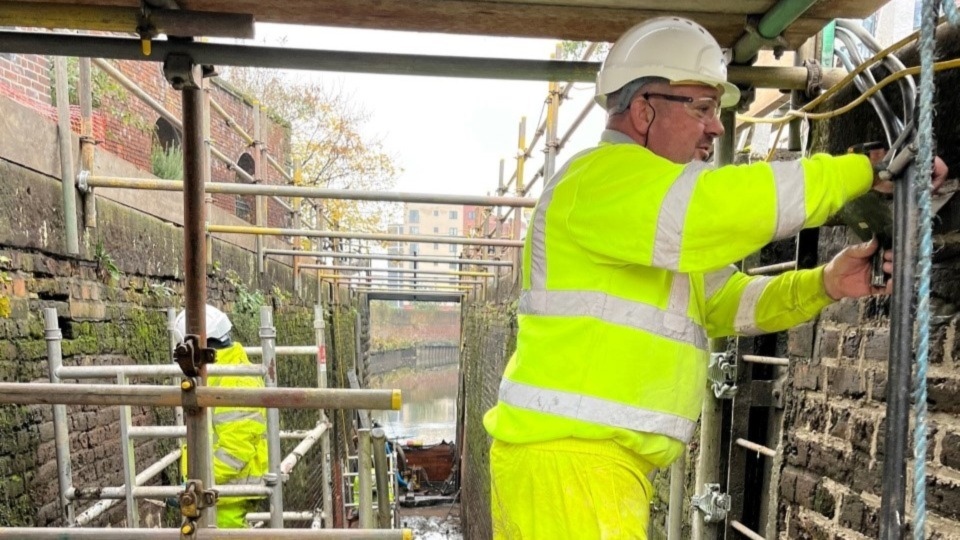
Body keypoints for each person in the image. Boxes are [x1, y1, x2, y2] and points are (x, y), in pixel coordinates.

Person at [482, 16, 948, 539]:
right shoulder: (600, 182)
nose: (717, 127)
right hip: (571, 466)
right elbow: (718, 209)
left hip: (587, 467)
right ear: (643, 110)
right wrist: (859, 170)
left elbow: (727, 301)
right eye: (701, 108)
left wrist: (826, 283)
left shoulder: (645, 213)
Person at [175, 304, 268, 529]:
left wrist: (194, 482)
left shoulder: (234, 379)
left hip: (225, 491)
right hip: (219, 487)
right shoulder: (224, 371)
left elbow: (235, 451)